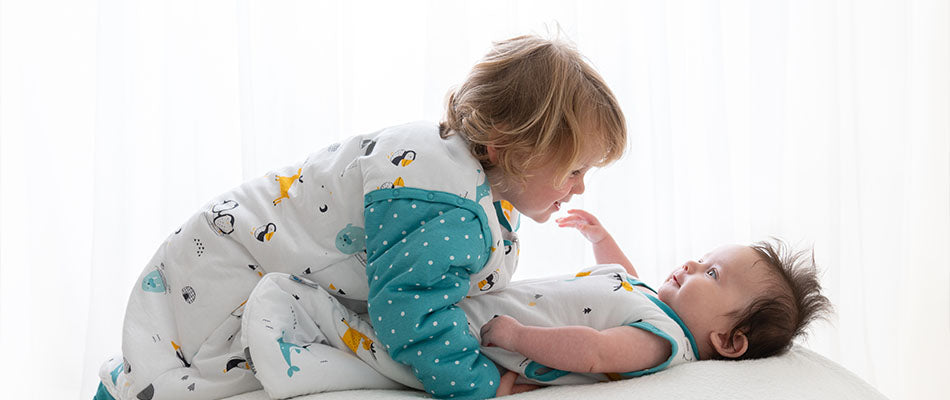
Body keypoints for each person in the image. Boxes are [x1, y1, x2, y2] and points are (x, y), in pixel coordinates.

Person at [96, 35, 627, 400]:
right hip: (225, 267)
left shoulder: (456, 174)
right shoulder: (444, 196)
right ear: (510, 147)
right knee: (190, 369)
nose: (579, 187)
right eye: (575, 169)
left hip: (223, 249)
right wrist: (478, 379)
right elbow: (408, 315)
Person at [479, 209, 833, 395]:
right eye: (701, 258)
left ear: (727, 339)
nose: (692, 265)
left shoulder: (661, 341)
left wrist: (517, 336)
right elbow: (624, 280)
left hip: (486, 339)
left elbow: (594, 352)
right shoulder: (652, 303)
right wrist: (601, 239)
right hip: (492, 303)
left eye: (712, 274)